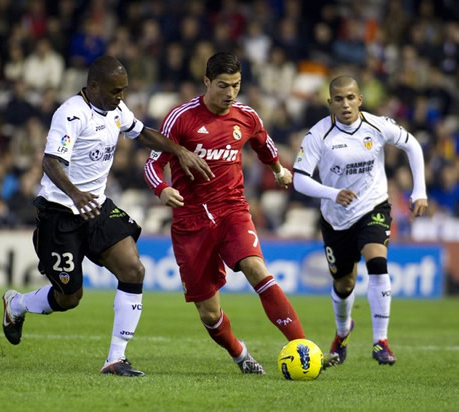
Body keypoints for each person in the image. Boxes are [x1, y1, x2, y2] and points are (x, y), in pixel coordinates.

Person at [2, 56, 213, 377]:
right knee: (69, 297)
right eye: (116, 91)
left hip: (97, 207)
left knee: (133, 269)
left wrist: (178, 150)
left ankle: (116, 358)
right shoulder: (71, 114)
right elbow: (50, 162)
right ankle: (17, 304)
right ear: (95, 86)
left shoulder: (115, 109)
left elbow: (141, 133)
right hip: (60, 212)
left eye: (124, 90)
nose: (121, 97)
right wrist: (75, 193)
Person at [144, 52, 338, 374]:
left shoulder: (246, 116)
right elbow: (152, 163)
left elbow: (264, 144)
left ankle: (303, 347)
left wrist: (278, 170)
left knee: (255, 267)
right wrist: (162, 189)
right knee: (209, 313)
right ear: (207, 82)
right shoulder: (180, 118)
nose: (230, 93)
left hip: (232, 209)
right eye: (222, 85)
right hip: (191, 221)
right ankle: (239, 354)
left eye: (235, 85)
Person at [292, 75, 428, 365]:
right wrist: (332, 193)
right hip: (336, 219)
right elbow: (300, 180)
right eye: (339, 99)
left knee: (377, 263)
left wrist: (420, 191)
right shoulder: (318, 135)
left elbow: (412, 145)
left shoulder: (377, 125)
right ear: (330, 103)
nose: (346, 104)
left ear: (360, 99)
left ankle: (381, 342)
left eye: (351, 97)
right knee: (344, 284)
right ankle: (343, 332)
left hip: (373, 206)